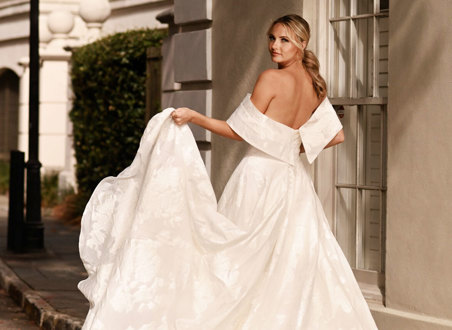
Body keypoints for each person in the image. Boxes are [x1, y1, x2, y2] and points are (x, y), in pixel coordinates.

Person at [78, 14, 378, 329]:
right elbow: (336, 135)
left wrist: (195, 116)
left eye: (284, 40)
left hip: (258, 178)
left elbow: (237, 131)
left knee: (234, 260)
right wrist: (290, 145)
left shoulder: (271, 79)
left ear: (302, 45)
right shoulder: (315, 85)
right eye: (272, 38)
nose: (275, 46)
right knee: (290, 262)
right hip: (294, 181)